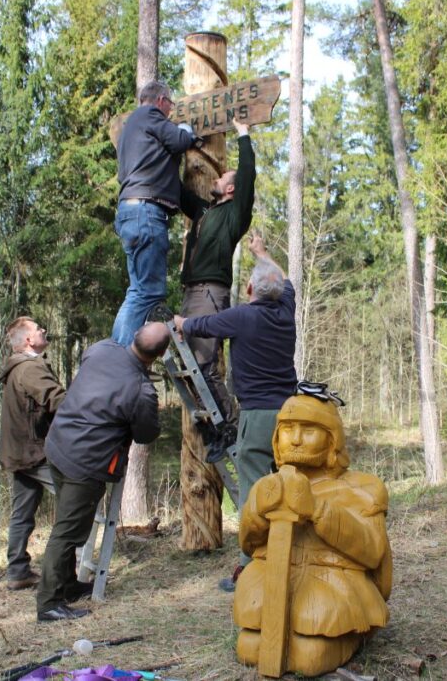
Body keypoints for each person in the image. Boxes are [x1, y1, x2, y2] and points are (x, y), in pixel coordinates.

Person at [232, 393, 392, 677]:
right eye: (287, 429)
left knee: (310, 656)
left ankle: (347, 635)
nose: (295, 439)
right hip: (271, 577)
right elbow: (248, 543)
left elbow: (373, 551)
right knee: (249, 647)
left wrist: (318, 510)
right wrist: (257, 511)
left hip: (333, 580)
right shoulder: (267, 485)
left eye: (308, 430)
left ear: (333, 439)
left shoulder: (362, 488)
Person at [174, 234, 297, 591]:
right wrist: (262, 253)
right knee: (288, 486)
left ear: (249, 289)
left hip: (258, 418)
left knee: (253, 493)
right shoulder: (285, 309)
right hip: (291, 414)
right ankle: (289, 554)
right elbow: (285, 281)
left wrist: (181, 323)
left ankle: (251, 568)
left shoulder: (243, 316)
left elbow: (200, 326)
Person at [35, 322, 172, 622]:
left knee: (68, 523)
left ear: (136, 335)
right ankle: (49, 603)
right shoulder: (141, 389)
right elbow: (147, 433)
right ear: (161, 354)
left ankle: (67, 584)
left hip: (57, 445)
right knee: (67, 532)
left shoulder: (100, 349)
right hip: (84, 463)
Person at [178, 120, 256, 451]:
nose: (216, 177)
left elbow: (249, 177)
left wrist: (243, 133)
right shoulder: (205, 212)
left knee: (205, 368)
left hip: (209, 292)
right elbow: (178, 191)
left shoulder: (235, 214)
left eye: (222, 177)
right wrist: (176, 147)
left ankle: (231, 429)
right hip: (192, 292)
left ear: (231, 189)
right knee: (192, 366)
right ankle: (217, 429)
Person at [112, 80, 198, 347]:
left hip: (131, 212)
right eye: (170, 105)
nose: (171, 111)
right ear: (161, 100)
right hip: (146, 213)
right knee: (147, 292)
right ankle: (122, 360)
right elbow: (179, 139)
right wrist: (187, 130)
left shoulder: (130, 130)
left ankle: (116, 354)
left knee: (137, 291)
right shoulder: (150, 115)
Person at [0, 317, 66, 590]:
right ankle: (63, 572)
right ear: (28, 340)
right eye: (38, 330)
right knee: (75, 498)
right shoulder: (29, 369)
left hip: (22, 452)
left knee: (22, 513)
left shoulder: (22, 367)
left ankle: (18, 572)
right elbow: (60, 401)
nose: (43, 331)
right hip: (32, 453)